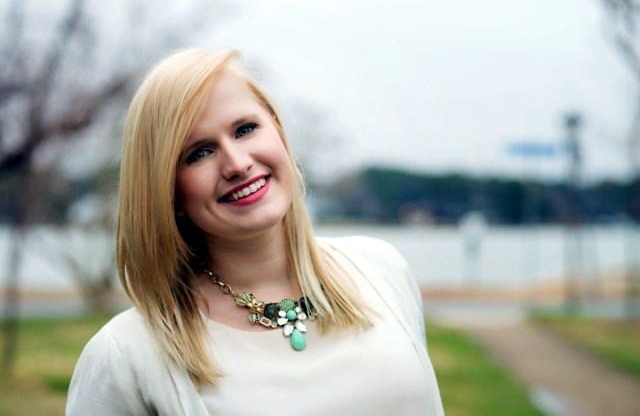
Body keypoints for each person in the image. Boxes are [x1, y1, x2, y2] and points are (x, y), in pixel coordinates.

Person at [66, 48, 444, 416]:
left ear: (278, 132)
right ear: (168, 191)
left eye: (245, 129)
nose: (237, 163)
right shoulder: (126, 356)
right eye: (198, 153)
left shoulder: (382, 270)